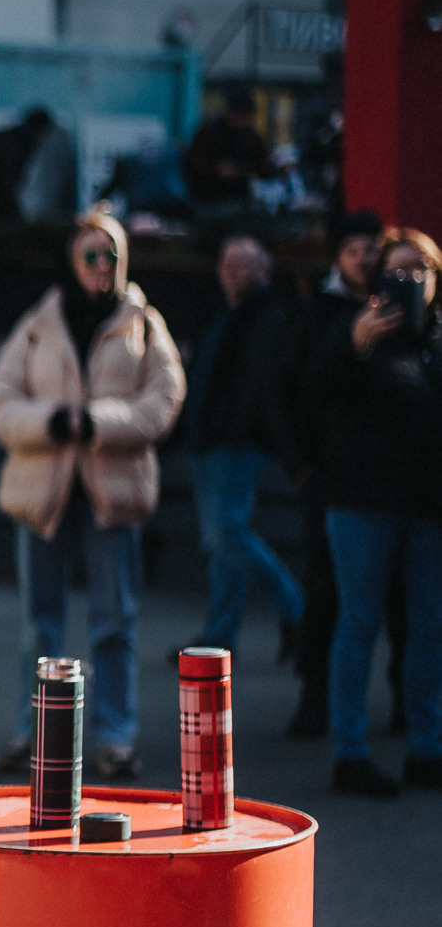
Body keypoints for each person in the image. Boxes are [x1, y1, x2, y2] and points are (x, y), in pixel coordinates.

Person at [0, 211, 186, 779]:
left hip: (112, 491)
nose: (102, 266)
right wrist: (53, 421)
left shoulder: (142, 322)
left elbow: (165, 400)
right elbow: (2, 400)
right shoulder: (39, 321)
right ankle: (35, 732)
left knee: (114, 621)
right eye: (91, 255)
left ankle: (114, 735)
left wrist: (98, 422)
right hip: (43, 491)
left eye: (111, 255)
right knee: (39, 624)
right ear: (70, 261)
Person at [301, 226, 442, 798]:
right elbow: (312, 392)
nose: (408, 281)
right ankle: (350, 753)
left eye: (419, 271)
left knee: (429, 628)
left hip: (429, 507)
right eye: (396, 271)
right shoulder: (355, 329)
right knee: (359, 623)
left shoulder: (437, 340)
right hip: (362, 503)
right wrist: (352, 344)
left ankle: (427, 748)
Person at [289, 210, 402, 741]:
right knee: (328, 592)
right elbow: (297, 388)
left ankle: (405, 702)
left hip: (400, 476)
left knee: (404, 599)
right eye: (353, 250)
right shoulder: (319, 312)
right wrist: (300, 466)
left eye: (370, 249)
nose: (363, 258)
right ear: (337, 257)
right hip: (332, 475)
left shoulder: (403, 309)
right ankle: (315, 697)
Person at [178, 236, 304, 661]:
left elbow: (260, 383)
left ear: (263, 271)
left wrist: (231, 428)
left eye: (242, 264)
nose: (231, 271)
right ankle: (219, 635)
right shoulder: (222, 315)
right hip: (207, 441)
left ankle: (296, 609)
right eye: (226, 263)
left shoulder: (267, 317)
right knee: (221, 546)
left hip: (234, 443)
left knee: (227, 534)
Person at [183, 92, 270, 213]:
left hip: (238, 197)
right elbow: (192, 163)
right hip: (208, 197)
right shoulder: (210, 133)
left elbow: (264, 165)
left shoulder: (250, 137)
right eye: (238, 116)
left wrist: (239, 169)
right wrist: (216, 169)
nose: (241, 121)